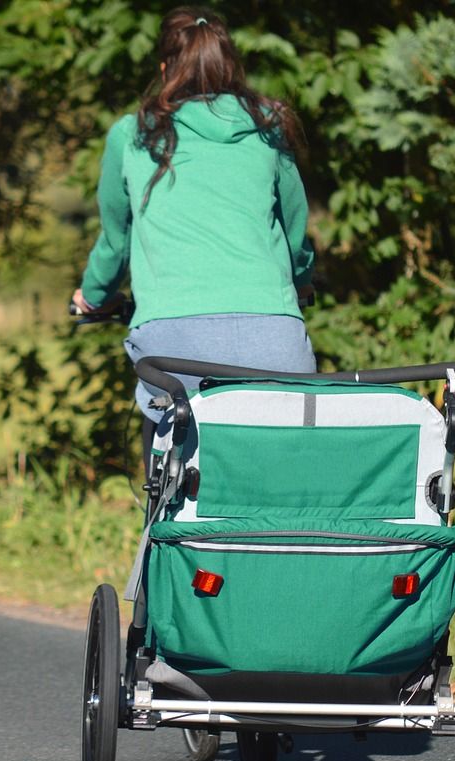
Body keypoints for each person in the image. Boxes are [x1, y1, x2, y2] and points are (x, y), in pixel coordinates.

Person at [71, 6, 317, 475]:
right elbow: (295, 235)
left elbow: (115, 241)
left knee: (172, 502)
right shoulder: (267, 126)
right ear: (230, 67)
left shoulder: (136, 133)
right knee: (281, 493)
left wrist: (94, 297)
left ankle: (165, 543)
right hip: (275, 339)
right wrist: (301, 282)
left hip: (174, 344)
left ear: (165, 69)